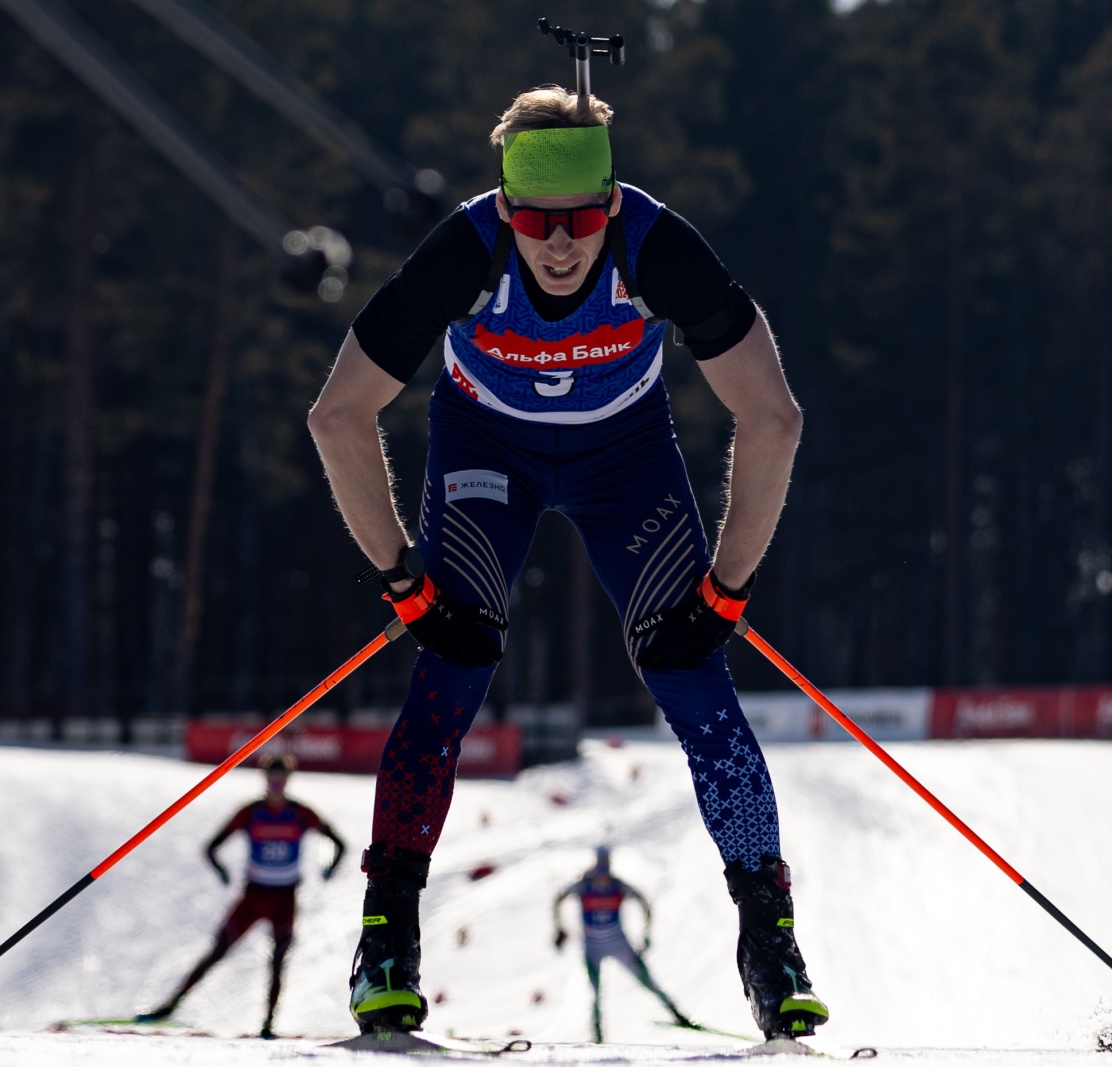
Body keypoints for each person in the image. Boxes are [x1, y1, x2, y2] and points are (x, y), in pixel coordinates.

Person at [307, 85, 828, 1041]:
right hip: (485, 449)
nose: (558, 245)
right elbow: (337, 415)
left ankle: (771, 945)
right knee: (454, 657)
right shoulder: (466, 251)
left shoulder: (655, 247)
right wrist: (402, 581)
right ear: (505, 206)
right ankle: (386, 944)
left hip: (623, 457)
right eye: (536, 221)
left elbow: (775, 416)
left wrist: (728, 589)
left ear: (611, 204)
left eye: (582, 220)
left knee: (690, 668)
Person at [138, 754, 345, 1038]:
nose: (276, 785)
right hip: (253, 895)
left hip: (285, 897)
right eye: (272, 779)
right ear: (265, 780)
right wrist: (223, 873)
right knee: (218, 951)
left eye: (281, 780)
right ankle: (169, 1007)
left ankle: (268, 1024)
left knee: (278, 960)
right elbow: (211, 847)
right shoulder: (251, 812)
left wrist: (329, 869)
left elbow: (339, 842)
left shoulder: (300, 813)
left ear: (288, 780)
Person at [553, 845, 691, 1043]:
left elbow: (643, 901)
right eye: (600, 865)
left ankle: (678, 1014)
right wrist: (559, 927)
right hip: (592, 947)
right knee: (595, 991)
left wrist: (646, 932)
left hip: (619, 943)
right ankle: (597, 1034)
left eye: (606, 865)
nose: (603, 871)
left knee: (647, 981)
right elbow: (559, 898)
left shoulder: (617, 885)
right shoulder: (584, 885)